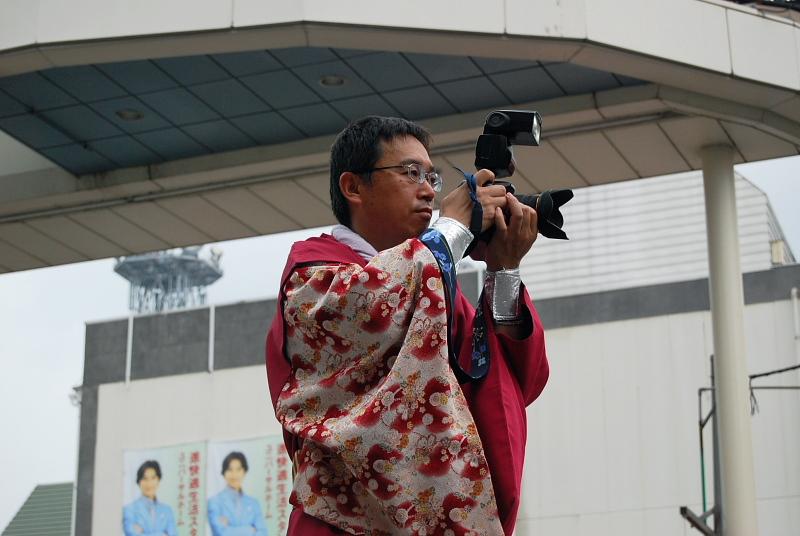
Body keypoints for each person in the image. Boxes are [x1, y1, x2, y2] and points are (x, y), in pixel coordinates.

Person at [265, 116, 549, 535]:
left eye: (431, 175)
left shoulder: (430, 290)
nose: (429, 190)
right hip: (343, 523)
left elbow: (510, 381)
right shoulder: (313, 275)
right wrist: (452, 229)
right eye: (410, 172)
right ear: (353, 187)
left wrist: (502, 269)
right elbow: (373, 305)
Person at [207, 451, 268, 536]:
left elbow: (263, 533)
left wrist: (230, 528)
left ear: (244, 471)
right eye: (229, 469)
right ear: (224, 473)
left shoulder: (254, 503)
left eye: (238, 469)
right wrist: (250, 530)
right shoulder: (214, 502)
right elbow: (221, 532)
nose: (234, 474)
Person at [123, 460, 178, 536]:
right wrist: (163, 534)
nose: (149, 483)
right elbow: (132, 534)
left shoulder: (167, 511)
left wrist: (143, 533)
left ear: (158, 480)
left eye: (153, 478)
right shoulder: (129, 510)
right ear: (139, 482)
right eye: (145, 478)